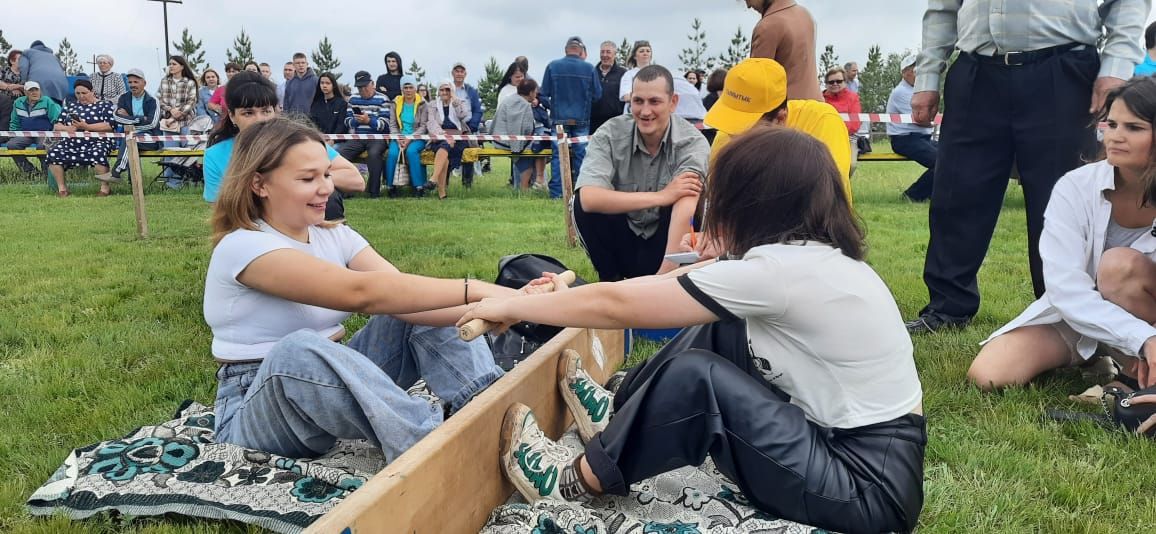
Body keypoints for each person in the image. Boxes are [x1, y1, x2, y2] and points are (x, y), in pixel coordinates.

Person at [461, 126, 926, 534]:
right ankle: (620, 414)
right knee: (725, 329)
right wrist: (715, 260)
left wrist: (515, 305)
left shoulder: (776, 274)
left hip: (865, 489)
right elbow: (666, 286)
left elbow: (618, 302)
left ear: (752, 202)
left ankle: (576, 482)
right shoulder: (807, 258)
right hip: (859, 458)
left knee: (697, 378)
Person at [204, 116, 554, 461]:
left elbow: (402, 294)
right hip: (255, 409)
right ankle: (433, 446)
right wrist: (479, 289)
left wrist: (506, 305)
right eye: (307, 178)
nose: (326, 187)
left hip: (331, 390)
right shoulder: (243, 246)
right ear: (259, 184)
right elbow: (363, 293)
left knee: (419, 307)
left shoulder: (334, 234)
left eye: (326, 173)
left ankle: (491, 413)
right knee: (295, 350)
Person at [905, 0, 1149, 334]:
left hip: (1063, 68)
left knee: (1061, 199)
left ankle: (1063, 310)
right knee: (956, 193)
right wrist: (928, 75)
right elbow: (943, 8)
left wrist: (1116, 65)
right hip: (976, 69)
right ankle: (947, 307)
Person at [968, 77, 1156, 392]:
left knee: (1118, 267)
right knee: (988, 374)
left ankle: (1132, 377)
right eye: (1111, 124)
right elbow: (1065, 289)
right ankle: (1101, 355)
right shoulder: (1075, 186)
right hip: (1082, 313)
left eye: (1133, 128)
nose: (1115, 136)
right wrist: (1143, 338)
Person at [573, 65, 709, 281]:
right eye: (638, 101)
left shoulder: (692, 142)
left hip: (667, 243)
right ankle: (611, 282)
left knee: (692, 202)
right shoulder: (609, 133)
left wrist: (660, 281)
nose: (645, 112)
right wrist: (661, 196)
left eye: (654, 101)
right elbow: (589, 198)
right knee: (579, 204)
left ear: (673, 102)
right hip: (623, 238)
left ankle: (672, 282)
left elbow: (686, 210)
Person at [202, 71, 364, 219]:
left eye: (266, 111)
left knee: (330, 196)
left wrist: (304, 179)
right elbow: (222, 214)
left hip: (307, 224)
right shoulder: (216, 155)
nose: (260, 120)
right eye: (248, 113)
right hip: (251, 229)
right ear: (232, 116)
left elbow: (356, 180)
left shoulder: (300, 141)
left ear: (276, 112)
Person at [705, 58, 853, 202]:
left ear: (781, 118)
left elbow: (828, 198)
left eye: (745, 127)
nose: (733, 134)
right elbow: (716, 200)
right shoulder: (726, 134)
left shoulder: (821, 120)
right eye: (729, 119)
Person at [541, 36, 602, 199]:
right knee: (581, 155)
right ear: (581, 52)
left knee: (558, 155)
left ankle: (557, 193)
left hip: (559, 118)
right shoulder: (589, 68)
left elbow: (543, 94)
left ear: (566, 50)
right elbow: (598, 95)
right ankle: (581, 192)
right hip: (581, 118)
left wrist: (552, 107)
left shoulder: (553, 66)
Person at [45, 79, 116, 197]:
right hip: (72, 142)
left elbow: (109, 126)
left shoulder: (104, 105)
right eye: (78, 94)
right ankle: (62, 189)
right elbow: (57, 125)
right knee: (53, 154)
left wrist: (86, 126)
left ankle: (105, 188)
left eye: (84, 93)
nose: (81, 96)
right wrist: (67, 129)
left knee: (98, 153)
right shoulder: (70, 106)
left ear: (92, 91)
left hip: (98, 140)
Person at [747, 0, 822, 101]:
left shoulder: (767, 26)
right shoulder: (805, 14)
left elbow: (758, 85)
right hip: (816, 107)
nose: (748, 5)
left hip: (786, 111)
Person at [338, 71, 396, 198]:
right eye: (359, 87)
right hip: (358, 137)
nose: (363, 90)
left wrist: (369, 121)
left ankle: (373, 192)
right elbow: (347, 121)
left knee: (374, 154)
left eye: (365, 86)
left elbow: (386, 125)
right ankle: (345, 189)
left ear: (372, 84)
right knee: (341, 154)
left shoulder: (383, 99)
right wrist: (355, 121)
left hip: (377, 138)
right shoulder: (353, 99)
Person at [888, 54, 937, 202]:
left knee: (952, 158)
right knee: (941, 162)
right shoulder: (901, 92)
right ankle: (912, 196)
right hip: (904, 139)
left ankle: (930, 195)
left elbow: (927, 119)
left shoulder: (919, 91)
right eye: (915, 69)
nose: (920, 72)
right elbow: (922, 120)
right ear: (904, 73)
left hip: (922, 138)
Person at [492, 78, 547, 190]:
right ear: (531, 92)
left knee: (538, 144)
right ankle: (531, 185)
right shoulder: (523, 104)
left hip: (500, 139)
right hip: (506, 142)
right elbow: (520, 130)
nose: (536, 94)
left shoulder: (512, 99)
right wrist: (518, 147)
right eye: (535, 91)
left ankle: (534, 183)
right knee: (540, 144)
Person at [109, 68, 162, 183]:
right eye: (130, 82)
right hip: (131, 136)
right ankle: (132, 182)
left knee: (130, 138)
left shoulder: (153, 100)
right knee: (131, 139)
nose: (132, 85)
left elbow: (152, 124)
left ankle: (116, 172)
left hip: (151, 137)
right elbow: (117, 118)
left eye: (136, 82)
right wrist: (141, 119)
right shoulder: (123, 98)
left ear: (144, 83)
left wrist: (128, 119)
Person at [425, 79, 471, 200]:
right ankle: (440, 190)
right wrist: (442, 134)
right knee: (444, 148)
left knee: (445, 149)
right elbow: (431, 122)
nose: (445, 92)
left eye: (447, 89)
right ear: (438, 91)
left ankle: (434, 181)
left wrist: (454, 100)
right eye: (442, 89)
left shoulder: (459, 102)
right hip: (439, 135)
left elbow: (463, 115)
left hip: (457, 136)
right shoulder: (432, 105)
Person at [157, 55, 199, 188]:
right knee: (170, 153)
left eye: (174, 64)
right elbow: (159, 99)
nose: (171, 66)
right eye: (170, 64)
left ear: (182, 66)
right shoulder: (164, 81)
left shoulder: (190, 83)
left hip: (187, 122)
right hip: (169, 124)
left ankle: (189, 179)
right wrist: (171, 110)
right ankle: (172, 184)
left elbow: (191, 102)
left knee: (188, 152)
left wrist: (174, 116)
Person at [387, 75, 431, 196]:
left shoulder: (423, 103)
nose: (408, 90)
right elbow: (392, 124)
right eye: (405, 87)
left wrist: (409, 139)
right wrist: (398, 138)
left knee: (411, 152)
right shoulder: (395, 103)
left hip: (417, 137)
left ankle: (418, 187)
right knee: (392, 154)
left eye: (410, 87)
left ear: (415, 88)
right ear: (402, 89)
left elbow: (423, 126)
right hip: (399, 137)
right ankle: (391, 187)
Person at [7, 81, 60, 176]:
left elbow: (56, 119)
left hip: (44, 133)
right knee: (12, 145)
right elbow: (14, 122)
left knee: (42, 146)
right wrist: (14, 135)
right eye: (31, 90)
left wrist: (54, 134)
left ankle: (47, 174)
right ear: (25, 92)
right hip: (25, 134)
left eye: (36, 90)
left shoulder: (47, 101)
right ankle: (31, 173)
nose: (34, 92)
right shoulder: (18, 102)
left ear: (40, 91)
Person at [821, 67, 862, 177]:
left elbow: (855, 124)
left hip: (848, 138)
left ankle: (843, 187)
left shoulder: (853, 98)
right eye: (831, 82)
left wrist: (835, 127)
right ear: (826, 84)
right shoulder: (820, 98)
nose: (835, 84)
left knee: (851, 165)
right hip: (824, 138)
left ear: (845, 82)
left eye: (839, 81)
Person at [449, 62, 483, 187]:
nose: (459, 74)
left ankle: (467, 184)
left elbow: (478, 110)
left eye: (461, 71)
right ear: (452, 73)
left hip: (468, 127)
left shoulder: (472, 91)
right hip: (450, 128)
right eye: (456, 71)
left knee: (468, 152)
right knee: (447, 150)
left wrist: (472, 126)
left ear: (465, 74)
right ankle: (444, 182)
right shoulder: (446, 89)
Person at [591, 40, 627, 133]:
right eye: (602, 52)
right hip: (593, 122)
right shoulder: (591, 72)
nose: (605, 55)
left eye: (608, 52)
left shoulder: (623, 73)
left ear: (615, 54)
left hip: (615, 121)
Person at [309, 72, 348, 136]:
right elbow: (311, 123)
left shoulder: (341, 104)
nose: (324, 86)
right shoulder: (315, 104)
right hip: (318, 140)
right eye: (322, 83)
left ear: (333, 85)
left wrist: (333, 140)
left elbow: (341, 125)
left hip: (336, 141)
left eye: (328, 83)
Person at [617, 40, 652, 110]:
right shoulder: (629, 75)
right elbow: (626, 96)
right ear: (635, 56)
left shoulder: (658, 73)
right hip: (632, 113)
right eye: (641, 51)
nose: (645, 53)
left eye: (648, 51)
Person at [0, 50, 23, 131]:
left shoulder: (25, 73)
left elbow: (29, 86)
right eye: (20, 59)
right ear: (12, 61)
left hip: (20, 102)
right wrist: (9, 87)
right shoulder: (4, 70)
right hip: (4, 101)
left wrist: (17, 86)